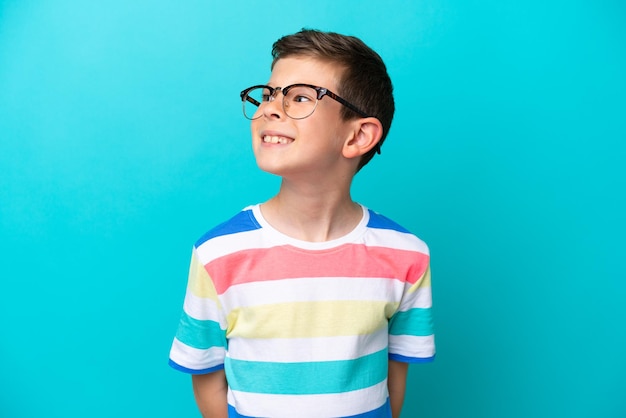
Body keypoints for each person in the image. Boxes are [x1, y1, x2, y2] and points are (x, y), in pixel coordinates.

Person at [169, 29, 435, 418]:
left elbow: (395, 374)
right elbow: (207, 376)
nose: (270, 109)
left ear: (358, 135)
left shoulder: (407, 255)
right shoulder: (217, 253)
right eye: (268, 94)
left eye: (299, 97)